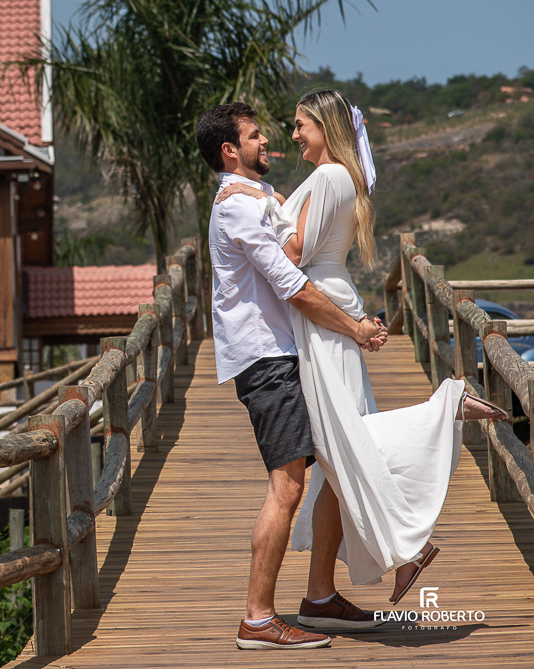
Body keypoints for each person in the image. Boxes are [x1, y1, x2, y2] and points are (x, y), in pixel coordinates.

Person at [216, 89, 509, 612]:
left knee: (345, 437)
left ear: (326, 128)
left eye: (301, 124)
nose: (291, 134)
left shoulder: (329, 177)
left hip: (321, 309)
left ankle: (444, 409)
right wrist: (266, 201)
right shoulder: (331, 178)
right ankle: (330, 589)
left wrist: (260, 211)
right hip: (326, 305)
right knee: (337, 452)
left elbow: (294, 253)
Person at [197, 101, 388, 650]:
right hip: (266, 360)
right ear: (230, 150)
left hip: (285, 353)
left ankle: (320, 597)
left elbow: (285, 224)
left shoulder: (252, 196)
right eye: (255, 136)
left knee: (330, 464)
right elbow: (294, 286)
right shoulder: (236, 208)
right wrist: (355, 328)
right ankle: (258, 618)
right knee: (287, 486)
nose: (269, 142)